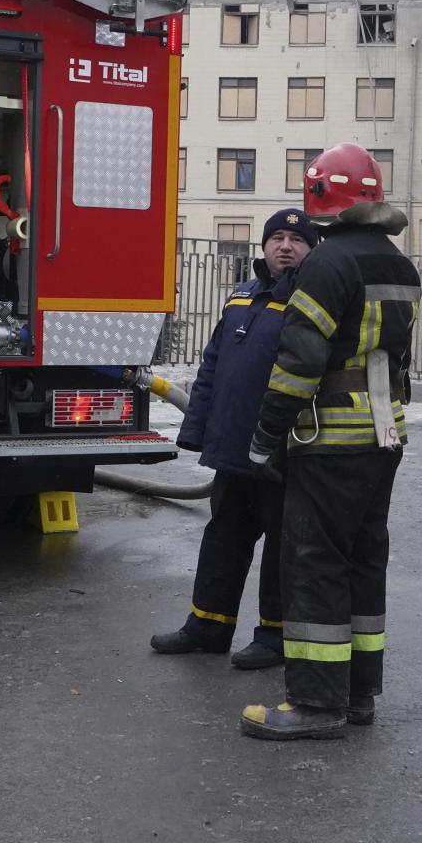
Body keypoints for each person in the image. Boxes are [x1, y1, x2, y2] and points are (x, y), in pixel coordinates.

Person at [240, 142, 420, 741]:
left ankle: (316, 704)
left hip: (329, 441)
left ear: (320, 196)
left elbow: (301, 360)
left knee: (315, 565)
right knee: (364, 563)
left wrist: (267, 434)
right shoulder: (400, 265)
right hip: (382, 437)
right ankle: (359, 694)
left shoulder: (326, 263)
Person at [152, 207, 319, 668]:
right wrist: (197, 429)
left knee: (282, 546)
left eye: (297, 239)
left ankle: (274, 637)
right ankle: (207, 625)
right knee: (224, 535)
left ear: (311, 250)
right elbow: (212, 366)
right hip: (233, 447)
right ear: (264, 246)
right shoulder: (242, 296)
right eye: (277, 237)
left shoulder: (313, 299)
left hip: (282, 450)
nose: (285, 246)